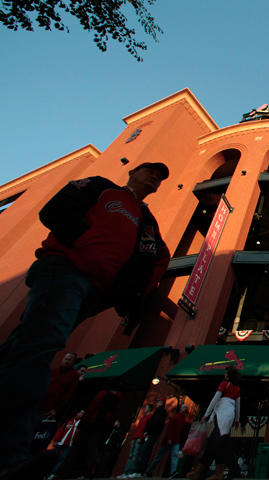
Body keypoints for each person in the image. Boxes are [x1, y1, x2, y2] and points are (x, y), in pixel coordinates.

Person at [0, 161, 170, 473]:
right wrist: (80, 242)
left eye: (159, 177)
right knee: (41, 345)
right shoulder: (100, 186)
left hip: (96, 290)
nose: (154, 177)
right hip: (64, 269)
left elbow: (159, 255)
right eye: (150, 171)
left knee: (22, 346)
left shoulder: (146, 220)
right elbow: (55, 209)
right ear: (133, 171)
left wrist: (132, 294)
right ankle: (10, 452)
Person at [188, 366, 242, 480]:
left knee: (218, 442)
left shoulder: (224, 384)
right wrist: (237, 419)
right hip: (230, 414)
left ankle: (216, 473)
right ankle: (204, 471)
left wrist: (206, 414)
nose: (224, 375)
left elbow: (215, 399)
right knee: (216, 441)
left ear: (229, 375)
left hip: (222, 412)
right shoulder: (237, 388)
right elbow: (238, 404)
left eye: (226, 373)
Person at [145, 404, 188, 477]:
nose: (185, 409)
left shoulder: (183, 420)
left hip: (176, 441)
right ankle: (149, 471)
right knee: (159, 456)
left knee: (174, 456)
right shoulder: (176, 417)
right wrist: (169, 438)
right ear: (181, 408)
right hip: (169, 440)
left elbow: (182, 432)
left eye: (186, 408)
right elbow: (170, 428)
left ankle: (173, 472)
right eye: (184, 407)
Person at [39, 352, 81, 422]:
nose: (67, 361)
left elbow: (68, 394)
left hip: (50, 408)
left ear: (73, 362)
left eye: (69, 360)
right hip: (40, 402)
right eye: (66, 359)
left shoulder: (74, 376)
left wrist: (56, 409)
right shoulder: (54, 371)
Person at [46, 409, 84, 480]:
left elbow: (77, 436)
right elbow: (61, 429)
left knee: (61, 459)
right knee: (53, 458)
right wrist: (55, 439)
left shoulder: (80, 424)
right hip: (60, 443)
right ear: (77, 413)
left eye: (83, 414)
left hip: (68, 445)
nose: (81, 415)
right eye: (80, 413)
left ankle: (52, 474)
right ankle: (47, 473)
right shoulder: (69, 420)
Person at [118, 403, 154, 478]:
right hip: (135, 437)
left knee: (135, 456)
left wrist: (141, 438)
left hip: (139, 438)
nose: (145, 409)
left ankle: (131, 472)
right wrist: (133, 437)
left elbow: (146, 429)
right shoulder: (143, 417)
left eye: (146, 408)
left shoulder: (149, 417)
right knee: (130, 455)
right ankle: (125, 472)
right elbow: (138, 428)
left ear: (149, 409)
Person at [136, 398, 168, 477]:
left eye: (158, 402)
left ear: (161, 403)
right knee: (146, 452)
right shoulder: (160, 411)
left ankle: (140, 472)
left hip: (152, 434)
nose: (157, 403)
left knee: (145, 452)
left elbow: (155, 423)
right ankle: (141, 471)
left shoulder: (160, 411)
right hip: (153, 434)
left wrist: (148, 431)